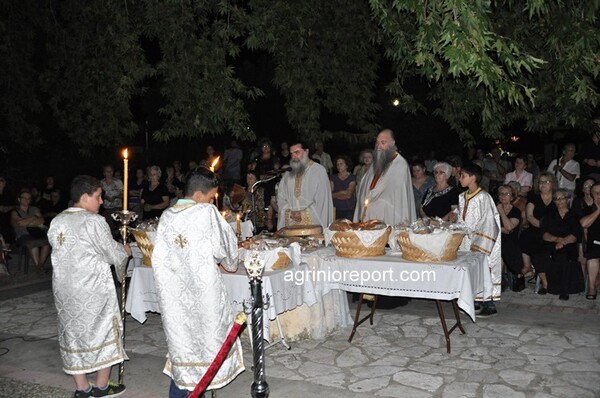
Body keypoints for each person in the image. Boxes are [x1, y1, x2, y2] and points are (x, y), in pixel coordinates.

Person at [152, 168, 244, 398]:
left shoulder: (167, 216)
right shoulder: (206, 213)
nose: (213, 200)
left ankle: (186, 392)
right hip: (205, 293)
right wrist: (231, 265)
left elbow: (158, 257)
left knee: (182, 346)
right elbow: (227, 248)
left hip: (174, 295)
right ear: (200, 195)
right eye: (212, 195)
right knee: (208, 345)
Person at [47, 175, 131, 398]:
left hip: (65, 290)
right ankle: (102, 387)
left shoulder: (57, 221)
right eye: (98, 196)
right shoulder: (94, 222)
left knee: (73, 334)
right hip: (93, 291)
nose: (101, 201)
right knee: (105, 332)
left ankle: (82, 389)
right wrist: (124, 251)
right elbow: (112, 254)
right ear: (84, 197)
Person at [452, 163, 501, 317]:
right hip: (465, 241)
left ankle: (489, 303)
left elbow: (488, 222)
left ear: (473, 177)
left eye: (463, 176)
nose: (460, 179)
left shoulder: (483, 197)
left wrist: (479, 244)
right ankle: (473, 300)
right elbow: (462, 218)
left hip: (479, 242)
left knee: (484, 270)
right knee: (470, 271)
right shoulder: (462, 197)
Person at [354, 129, 416, 225]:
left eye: (383, 143)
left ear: (392, 143)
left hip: (388, 216)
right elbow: (365, 185)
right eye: (377, 143)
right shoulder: (376, 162)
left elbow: (396, 195)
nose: (379, 146)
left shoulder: (400, 165)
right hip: (369, 216)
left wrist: (374, 199)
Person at [533, 188, 584, 299]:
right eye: (557, 199)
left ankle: (563, 289)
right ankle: (545, 284)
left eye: (562, 198)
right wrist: (557, 240)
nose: (560, 201)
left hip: (568, 245)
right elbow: (544, 234)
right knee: (538, 255)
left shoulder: (574, 215)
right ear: (554, 201)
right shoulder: (549, 215)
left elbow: (575, 236)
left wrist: (563, 242)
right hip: (551, 242)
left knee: (562, 255)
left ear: (567, 200)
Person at [277, 141, 333, 230]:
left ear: (306, 151)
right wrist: (289, 212)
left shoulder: (318, 171)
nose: (293, 156)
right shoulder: (288, 174)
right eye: (291, 154)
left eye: (297, 152)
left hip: (313, 226)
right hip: (291, 226)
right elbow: (281, 197)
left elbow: (322, 202)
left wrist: (303, 214)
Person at [519, 172, 557, 277]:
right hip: (536, 228)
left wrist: (550, 229)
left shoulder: (557, 198)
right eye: (541, 182)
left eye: (546, 182)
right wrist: (543, 227)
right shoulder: (533, 197)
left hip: (554, 230)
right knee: (525, 236)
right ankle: (527, 266)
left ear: (553, 184)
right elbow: (530, 216)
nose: (543, 184)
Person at [11, 189, 51, 273]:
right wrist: (33, 218)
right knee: (33, 243)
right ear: (19, 199)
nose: (27, 200)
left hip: (36, 232)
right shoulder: (14, 211)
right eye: (24, 198)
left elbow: (41, 220)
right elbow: (20, 223)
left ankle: (39, 266)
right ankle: (39, 267)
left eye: (28, 198)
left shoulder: (34, 209)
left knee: (47, 242)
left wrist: (27, 222)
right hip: (22, 235)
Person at [497, 184, 525, 292]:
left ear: (512, 197)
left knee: (503, 247)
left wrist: (501, 211)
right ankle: (497, 281)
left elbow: (509, 228)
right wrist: (501, 229)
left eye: (506, 194)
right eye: (501, 194)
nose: (503, 196)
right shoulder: (492, 209)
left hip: (510, 242)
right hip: (496, 239)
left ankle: (499, 282)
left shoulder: (516, 211)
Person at [580, 181, 600, 300]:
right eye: (596, 193)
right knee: (593, 255)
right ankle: (592, 287)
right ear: (592, 196)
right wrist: (598, 210)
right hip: (595, 243)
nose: (599, 196)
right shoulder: (589, 209)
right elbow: (584, 223)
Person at [330, 155, 357, 220]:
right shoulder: (333, 177)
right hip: (336, 209)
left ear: (347, 165)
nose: (339, 166)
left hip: (348, 209)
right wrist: (342, 192)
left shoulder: (352, 177)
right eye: (337, 164)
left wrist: (336, 195)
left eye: (341, 164)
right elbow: (330, 195)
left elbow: (348, 195)